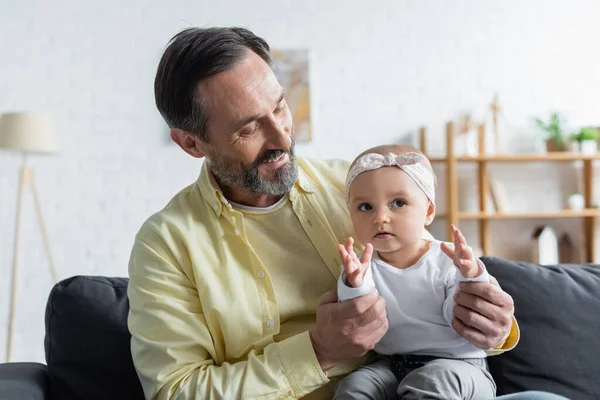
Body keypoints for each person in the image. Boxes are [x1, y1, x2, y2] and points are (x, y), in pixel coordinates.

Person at [126, 26, 561, 400]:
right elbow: (175, 391)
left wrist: (493, 323)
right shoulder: (167, 244)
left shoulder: (358, 188)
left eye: (279, 106)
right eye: (249, 128)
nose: (282, 136)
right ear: (191, 143)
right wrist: (319, 351)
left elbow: (439, 276)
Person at [333, 145, 495, 399]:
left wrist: (471, 274)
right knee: (356, 386)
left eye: (398, 203)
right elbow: (358, 314)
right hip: (392, 365)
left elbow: (465, 313)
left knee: (434, 381)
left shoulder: (448, 257)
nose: (380, 217)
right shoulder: (363, 266)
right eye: (366, 207)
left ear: (428, 211)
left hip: (460, 366)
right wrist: (353, 285)